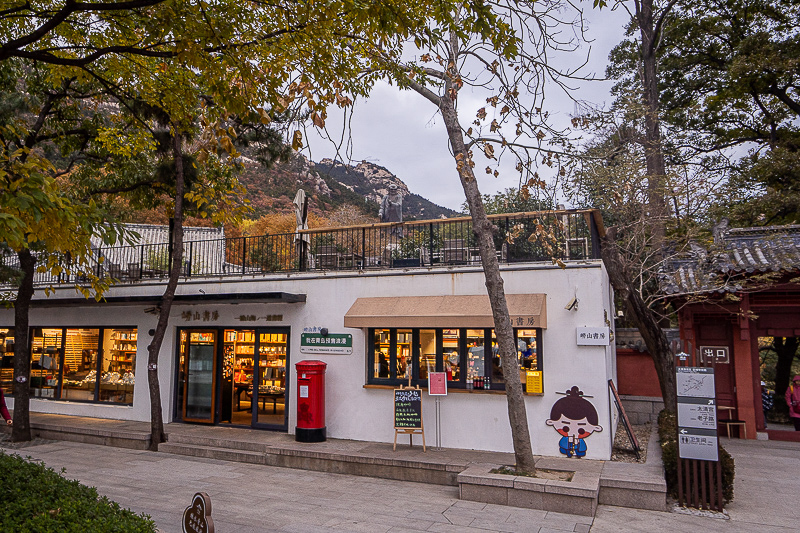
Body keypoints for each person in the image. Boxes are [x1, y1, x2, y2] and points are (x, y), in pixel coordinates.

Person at [545, 386, 603, 458]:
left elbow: (582, 448)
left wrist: (577, 444)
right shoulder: (565, 439)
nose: (573, 431)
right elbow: (563, 446)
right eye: (565, 428)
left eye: (581, 430)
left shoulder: (580, 441)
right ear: (551, 422)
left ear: (596, 427)